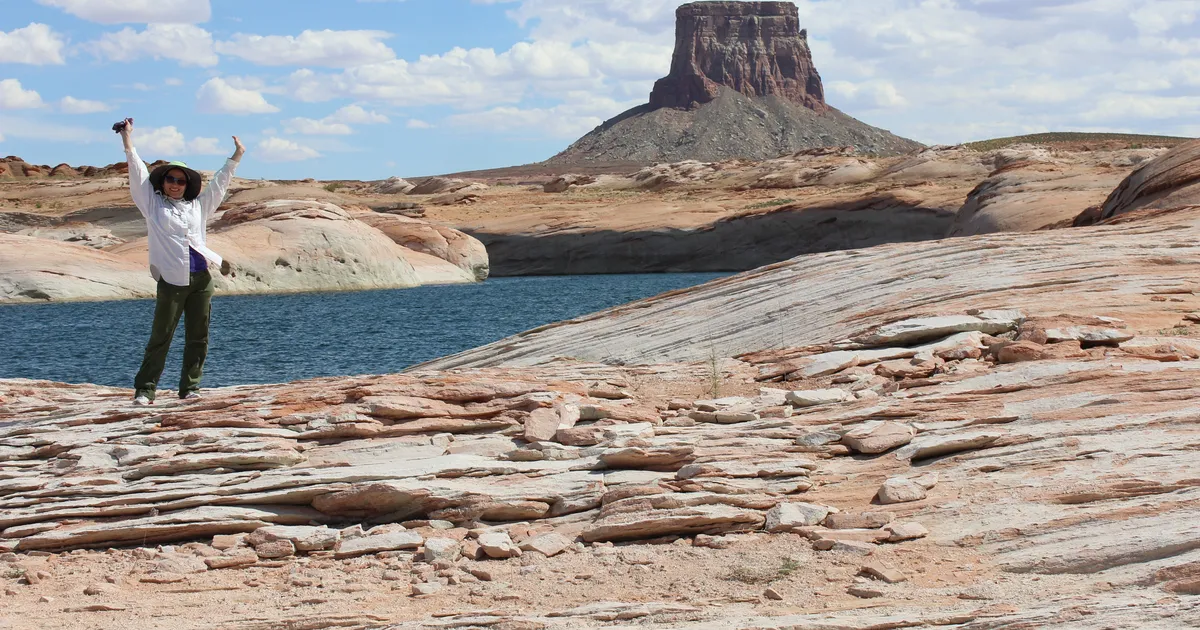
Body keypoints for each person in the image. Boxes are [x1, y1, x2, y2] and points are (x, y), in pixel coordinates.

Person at [118, 118, 245, 405]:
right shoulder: (153, 205)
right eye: (170, 179)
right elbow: (138, 175)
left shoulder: (198, 207)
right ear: (162, 182)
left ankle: (190, 388)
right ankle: (145, 390)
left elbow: (219, 186)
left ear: (187, 185)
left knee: (198, 337)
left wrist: (236, 157)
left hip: (201, 279)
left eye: (181, 180)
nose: (175, 184)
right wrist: (127, 140)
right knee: (160, 337)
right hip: (172, 281)